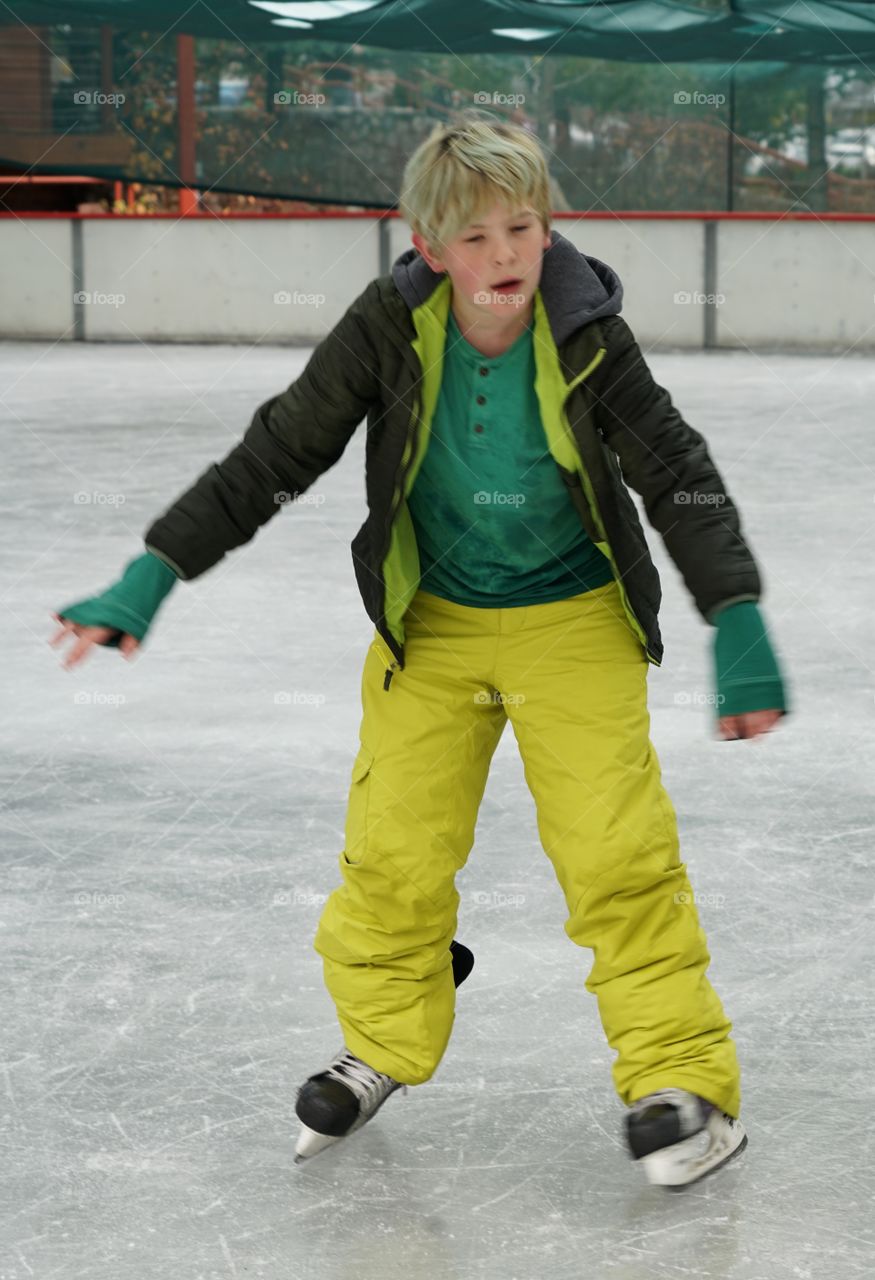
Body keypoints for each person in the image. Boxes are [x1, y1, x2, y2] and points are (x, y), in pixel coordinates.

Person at [49, 109, 788, 1189]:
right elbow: (274, 454)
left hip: (572, 617)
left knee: (613, 856)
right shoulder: (386, 329)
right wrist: (154, 571)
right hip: (431, 622)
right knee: (389, 851)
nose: (504, 257)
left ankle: (682, 1081)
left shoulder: (587, 334)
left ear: (547, 230)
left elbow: (676, 472)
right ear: (430, 246)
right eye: (476, 236)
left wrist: (737, 614)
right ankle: (385, 1042)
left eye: (522, 229)